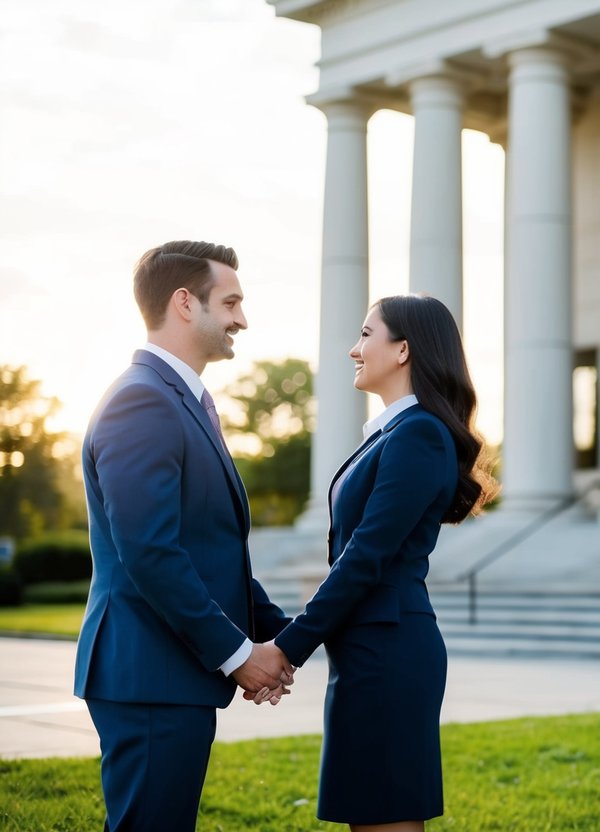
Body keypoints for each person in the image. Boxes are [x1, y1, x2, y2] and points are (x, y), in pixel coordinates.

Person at [74, 240, 296, 831]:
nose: (241, 319)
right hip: (149, 672)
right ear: (183, 303)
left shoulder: (186, 401)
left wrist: (290, 637)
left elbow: (209, 551)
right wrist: (238, 655)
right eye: (231, 302)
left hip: (169, 672)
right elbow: (150, 554)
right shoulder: (142, 400)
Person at [272, 294, 495, 831]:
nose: (354, 348)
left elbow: (365, 556)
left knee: (384, 818)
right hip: (369, 652)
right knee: (368, 817)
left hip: (389, 656)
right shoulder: (393, 433)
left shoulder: (418, 434)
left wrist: (288, 649)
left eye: (366, 334)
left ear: (403, 350)